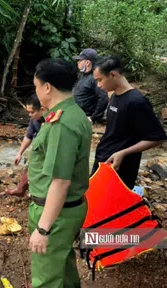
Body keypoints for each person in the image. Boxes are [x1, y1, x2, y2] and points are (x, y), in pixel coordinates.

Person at [28, 58, 92, 288]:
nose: (36, 91)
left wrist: (43, 228)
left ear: (47, 87)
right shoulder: (74, 113)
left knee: (46, 278)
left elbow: (61, 182)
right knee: (62, 265)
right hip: (65, 209)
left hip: (56, 213)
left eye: (36, 86)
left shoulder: (61, 124)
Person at [92, 56, 167, 189]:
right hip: (104, 160)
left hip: (120, 167)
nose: (99, 85)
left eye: (100, 80)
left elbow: (158, 137)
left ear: (113, 75)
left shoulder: (137, 101)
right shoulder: (114, 96)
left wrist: (123, 153)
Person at [3, 94, 46, 197]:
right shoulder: (34, 120)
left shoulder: (52, 122)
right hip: (39, 152)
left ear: (43, 109)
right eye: (29, 112)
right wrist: (19, 153)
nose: (30, 115)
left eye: (32, 112)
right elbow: (28, 136)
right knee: (32, 166)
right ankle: (22, 189)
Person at [72, 48, 109, 123]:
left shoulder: (95, 77)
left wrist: (93, 117)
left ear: (87, 63)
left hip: (86, 117)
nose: (78, 62)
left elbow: (103, 98)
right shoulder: (83, 75)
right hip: (77, 114)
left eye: (80, 60)